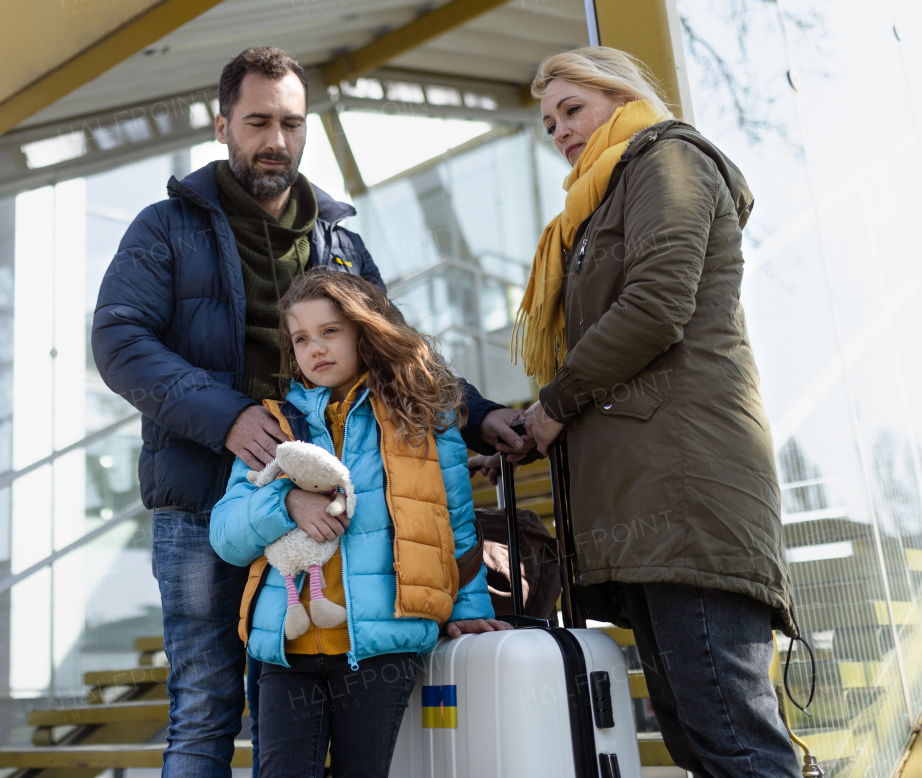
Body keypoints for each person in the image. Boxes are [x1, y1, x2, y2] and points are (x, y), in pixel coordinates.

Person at [91, 46, 525, 778]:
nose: (276, 140)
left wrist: (479, 414)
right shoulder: (165, 227)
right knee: (202, 711)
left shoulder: (339, 241)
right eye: (258, 121)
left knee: (281, 727)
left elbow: (399, 351)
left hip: (333, 518)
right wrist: (228, 417)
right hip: (208, 502)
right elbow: (118, 338)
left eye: (292, 123)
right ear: (222, 124)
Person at [508, 46, 799, 778]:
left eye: (572, 109)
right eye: (548, 124)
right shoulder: (600, 198)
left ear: (622, 94)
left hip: (687, 494)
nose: (561, 132)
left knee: (733, 740)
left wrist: (554, 404)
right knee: (700, 742)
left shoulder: (666, 159)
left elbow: (654, 306)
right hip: (652, 500)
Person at [210, 270, 505, 778]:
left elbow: (454, 525)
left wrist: (467, 606)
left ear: (366, 330)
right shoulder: (274, 424)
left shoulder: (424, 416)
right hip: (286, 650)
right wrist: (287, 503)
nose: (315, 348)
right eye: (300, 338)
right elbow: (226, 534)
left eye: (330, 331)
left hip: (380, 648)